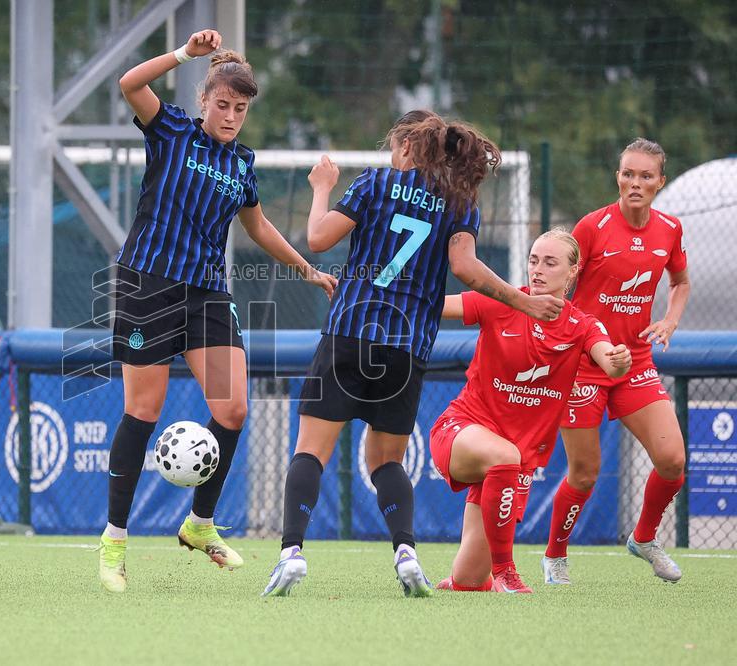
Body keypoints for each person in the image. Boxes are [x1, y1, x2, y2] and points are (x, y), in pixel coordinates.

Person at [261, 111, 566, 598]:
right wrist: (523, 299)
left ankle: (291, 553)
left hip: (349, 332)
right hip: (406, 349)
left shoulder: (376, 183)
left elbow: (317, 239)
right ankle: (406, 553)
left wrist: (322, 187)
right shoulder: (460, 203)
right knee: (386, 463)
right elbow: (465, 269)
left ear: (407, 147)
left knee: (310, 452)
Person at [99, 29, 337, 593]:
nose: (231, 116)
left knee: (232, 410)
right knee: (143, 410)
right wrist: (183, 54)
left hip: (207, 293)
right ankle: (113, 540)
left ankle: (199, 525)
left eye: (241, 108)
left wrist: (305, 266)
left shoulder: (243, 165)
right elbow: (129, 82)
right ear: (204, 100)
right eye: (223, 104)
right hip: (148, 284)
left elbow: (258, 227)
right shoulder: (172, 129)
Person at [432, 229, 632, 594]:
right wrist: (383, 287)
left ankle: (459, 583)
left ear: (573, 272)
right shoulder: (502, 301)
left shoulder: (581, 326)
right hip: (460, 430)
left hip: (513, 462)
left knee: (470, 582)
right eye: (533, 260)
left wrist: (618, 360)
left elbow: (610, 360)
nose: (537, 270)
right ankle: (507, 572)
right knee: (503, 456)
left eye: (550, 262)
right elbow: (435, 306)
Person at [542, 138, 690, 585]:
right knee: (584, 474)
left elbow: (680, 282)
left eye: (646, 176)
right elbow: (557, 281)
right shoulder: (592, 227)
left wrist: (669, 321)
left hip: (635, 363)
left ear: (660, 182)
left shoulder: (669, 229)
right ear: (618, 177)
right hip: (584, 366)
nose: (635, 183)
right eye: (628, 173)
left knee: (672, 461)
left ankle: (644, 539)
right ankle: (555, 555)